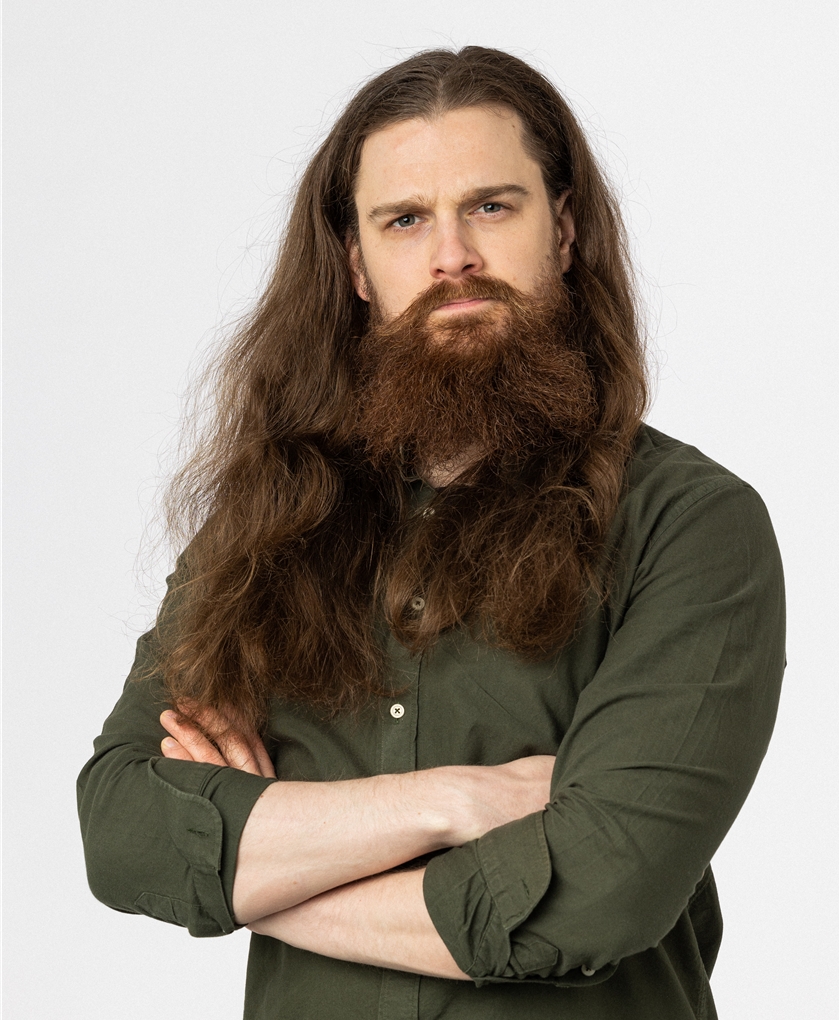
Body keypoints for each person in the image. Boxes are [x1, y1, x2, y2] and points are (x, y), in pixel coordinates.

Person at [77, 46, 785, 1020]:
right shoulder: (265, 525)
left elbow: (598, 894)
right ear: (357, 267)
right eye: (405, 220)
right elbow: (121, 832)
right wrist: (451, 803)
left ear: (564, 230)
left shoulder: (692, 525)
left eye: (491, 206)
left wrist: (259, 870)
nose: (452, 256)